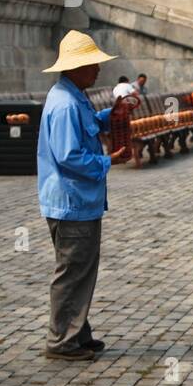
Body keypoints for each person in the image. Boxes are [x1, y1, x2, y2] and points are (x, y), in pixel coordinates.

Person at [37, 31, 134, 360]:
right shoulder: (65, 103)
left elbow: (90, 125)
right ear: (75, 68)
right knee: (72, 271)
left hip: (79, 202)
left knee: (80, 270)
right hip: (70, 202)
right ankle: (62, 340)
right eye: (92, 64)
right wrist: (110, 160)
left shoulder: (73, 96)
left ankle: (76, 333)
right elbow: (70, 156)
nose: (96, 70)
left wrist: (111, 115)